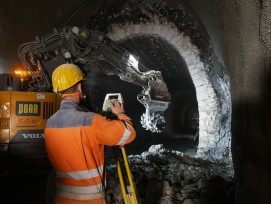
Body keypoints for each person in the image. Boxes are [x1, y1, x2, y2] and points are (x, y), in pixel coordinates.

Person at [44, 63, 136, 204]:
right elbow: (128, 134)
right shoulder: (91, 121)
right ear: (80, 87)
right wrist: (120, 113)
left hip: (62, 199)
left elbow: (80, 146)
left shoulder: (50, 124)